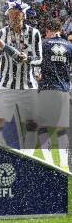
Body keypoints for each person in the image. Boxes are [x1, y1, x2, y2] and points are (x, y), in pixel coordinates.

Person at [0, 0, 42, 151]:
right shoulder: (1, 33)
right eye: (11, 14)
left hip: (28, 86)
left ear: (23, 15)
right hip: (6, 86)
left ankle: (29, 155)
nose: (13, 17)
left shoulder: (35, 33)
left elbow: (39, 59)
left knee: (32, 123)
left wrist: (28, 59)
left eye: (17, 14)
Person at [35, 19, 72, 170]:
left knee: (42, 127)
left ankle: (49, 162)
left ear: (49, 30)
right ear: (60, 30)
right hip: (64, 91)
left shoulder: (43, 44)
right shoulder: (70, 46)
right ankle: (64, 164)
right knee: (62, 128)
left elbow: (36, 68)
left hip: (47, 90)